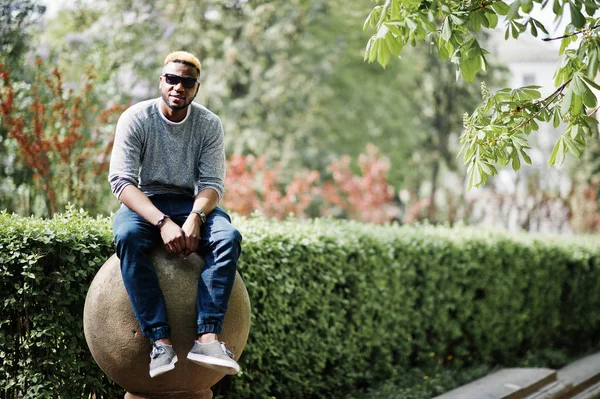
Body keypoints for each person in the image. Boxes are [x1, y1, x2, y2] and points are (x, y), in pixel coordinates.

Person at [108, 51, 242, 378]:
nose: (178, 87)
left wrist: (196, 215)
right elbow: (121, 182)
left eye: (187, 82)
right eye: (171, 79)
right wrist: (162, 222)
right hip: (145, 202)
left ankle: (208, 338)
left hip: (188, 202)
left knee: (228, 237)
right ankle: (160, 342)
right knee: (126, 236)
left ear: (196, 88)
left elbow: (211, 183)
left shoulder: (209, 124)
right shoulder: (136, 118)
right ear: (160, 81)